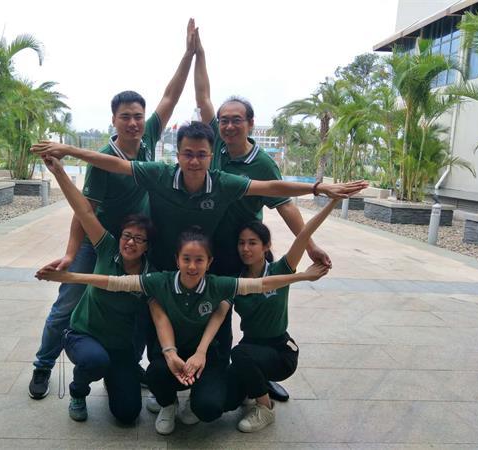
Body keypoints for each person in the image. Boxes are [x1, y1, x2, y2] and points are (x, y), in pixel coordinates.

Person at [28, 19, 199, 400]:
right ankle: (43, 364)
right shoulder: (103, 159)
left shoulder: (149, 136)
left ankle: (128, 363)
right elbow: (84, 211)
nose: (134, 122)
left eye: (138, 115)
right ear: (114, 120)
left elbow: (170, 96)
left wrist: (188, 54)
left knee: (137, 303)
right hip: (101, 242)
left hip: (137, 243)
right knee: (68, 302)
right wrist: (71, 254)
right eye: (126, 117)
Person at [36, 226, 331, 435]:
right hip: (169, 356)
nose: (192, 266)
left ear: (209, 262)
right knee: (152, 378)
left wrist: (304, 276)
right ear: (176, 259)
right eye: (186, 259)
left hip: (229, 355)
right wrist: (67, 276)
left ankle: (223, 398)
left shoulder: (219, 284)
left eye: (199, 260)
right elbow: (113, 282)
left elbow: (262, 284)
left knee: (209, 409)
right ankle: (167, 405)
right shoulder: (160, 281)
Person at [192, 27, 330, 401]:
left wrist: (312, 247)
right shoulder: (215, 147)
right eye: (224, 120)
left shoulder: (263, 163)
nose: (228, 125)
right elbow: (203, 97)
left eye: (236, 120)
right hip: (210, 247)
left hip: (244, 249)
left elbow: (286, 206)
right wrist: (198, 54)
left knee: (258, 311)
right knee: (215, 312)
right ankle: (220, 373)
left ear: (250, 124)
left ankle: (259, 372)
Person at [31, 122, 367, 274]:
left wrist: (317, 188)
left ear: (211, 156)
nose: (194, 161)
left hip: (202, 266)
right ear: (177, 154)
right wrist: (69, 151)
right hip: (159, 264)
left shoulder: (223, 182)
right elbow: (116, 164)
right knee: (155, 324)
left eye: (202, 155)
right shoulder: (159, 173)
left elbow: (271, 188)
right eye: (188, 154)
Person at [38, 154, 156, 424]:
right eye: (127, 236)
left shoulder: (150, 273)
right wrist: (60, 173)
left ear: (147, 246)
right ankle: (78, 391)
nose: (130, 243)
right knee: (95, 361)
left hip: (119, 347)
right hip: (85, 337)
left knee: (127, 414)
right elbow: (85, 211)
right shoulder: (107, 248)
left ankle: (115, 377)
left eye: (139, 239)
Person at [225, 198, 341, 432]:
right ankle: (256, 385)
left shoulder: (280, 270)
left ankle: (265, 408)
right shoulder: (236, 281)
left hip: (280, 352)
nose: (245, 248)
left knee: (239, 355)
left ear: (266, 246)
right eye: (241, 243)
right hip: (252, 347)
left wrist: (333, 201)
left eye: (252, 243)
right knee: (225, 401)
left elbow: (304, 234)